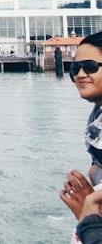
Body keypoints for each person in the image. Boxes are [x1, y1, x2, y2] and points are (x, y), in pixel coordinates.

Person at [61, 32, 102, 222]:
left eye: (90, 67)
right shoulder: (96, 113)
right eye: (75, 69)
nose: (80, 75)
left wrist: (88, 217)